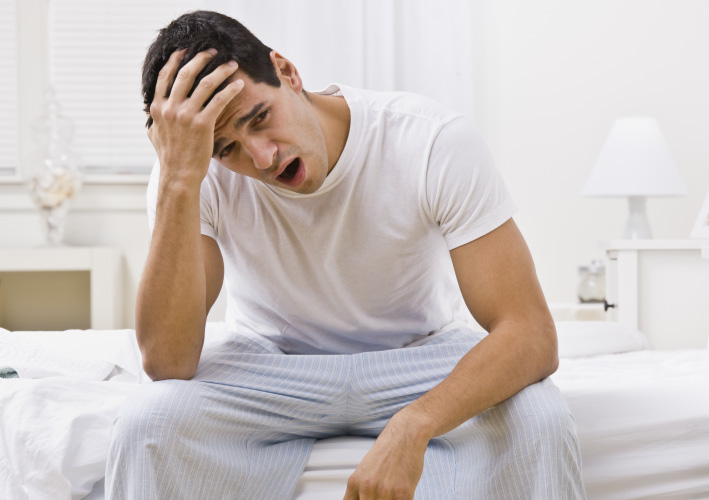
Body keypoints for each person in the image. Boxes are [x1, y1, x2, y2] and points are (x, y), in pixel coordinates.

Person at [106, 9, 585, 500]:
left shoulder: (429, 140)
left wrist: (414, 425)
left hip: (416, 360)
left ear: (288, 73)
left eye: (260, 118)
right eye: (227, 148)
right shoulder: (187, 177)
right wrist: (179, 179)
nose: (262, 157)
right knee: (149, 420)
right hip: (271, 369)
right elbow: (167, 362)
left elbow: (529, 333)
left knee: (540, 417)